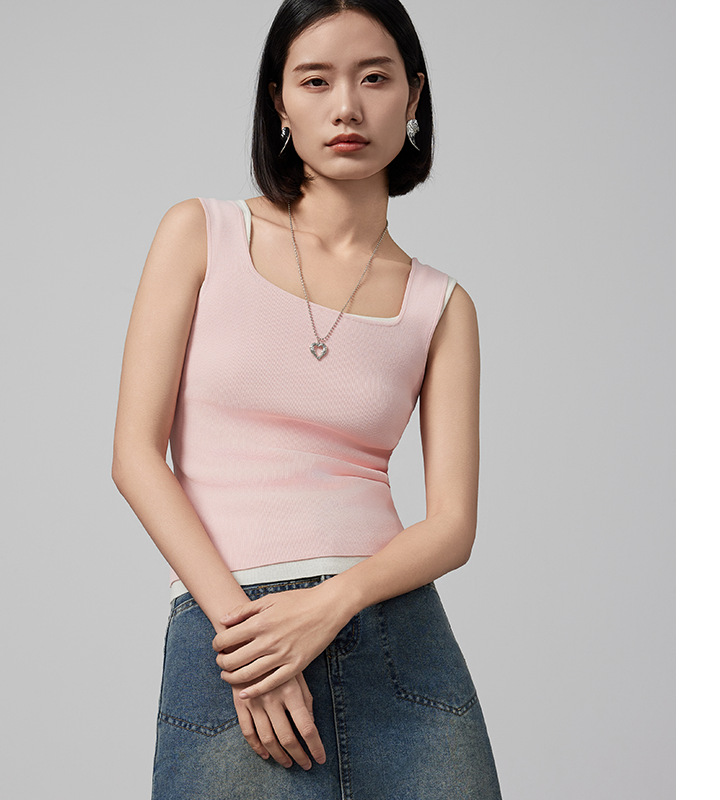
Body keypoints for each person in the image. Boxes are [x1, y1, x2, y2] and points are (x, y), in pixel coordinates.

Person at [112, 1, 503, 797]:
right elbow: (135, 459)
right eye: (316, 80)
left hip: (397, 643)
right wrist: (250, 642)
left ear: (413, 95)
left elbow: (452, 526)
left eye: (375, 79)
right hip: (237, 635)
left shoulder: (441, 305)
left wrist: (329, 606)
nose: (347, 106)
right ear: (279, 102)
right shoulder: (201, 233)